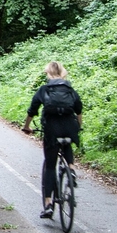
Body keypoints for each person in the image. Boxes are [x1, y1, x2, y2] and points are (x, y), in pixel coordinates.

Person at [22, 61, 83, 219]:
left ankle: (48, 204)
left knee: (50, 166)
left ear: (47, 73)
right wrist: (78, 127)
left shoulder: (45, 89)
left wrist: (27, 126)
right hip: (70, 126)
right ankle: (71, 168)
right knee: (67, 143)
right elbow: (78, 110)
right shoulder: (69, 89)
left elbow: (32, 109)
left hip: (51, 129)